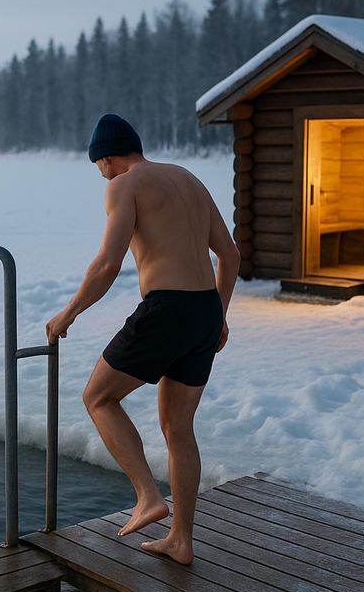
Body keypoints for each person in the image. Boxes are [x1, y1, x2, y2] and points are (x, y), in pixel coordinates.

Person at [45, 114, 239, 565]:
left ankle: (148, 496)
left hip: (167, 308)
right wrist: (219, 316)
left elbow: (108, 263)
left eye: (98, 164)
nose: (100, 174)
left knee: (98, 397)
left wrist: (68, 314)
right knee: (178, 428)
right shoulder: (187, 179)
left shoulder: (124, 185)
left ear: (108, 157)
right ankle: (181, 539)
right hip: (205, 310)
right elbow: (229, 255)